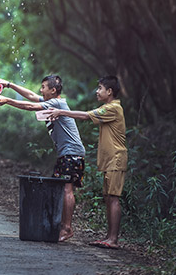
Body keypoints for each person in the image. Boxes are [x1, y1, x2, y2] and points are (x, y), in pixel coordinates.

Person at [0, 75, 86, 242]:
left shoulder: (57, 103)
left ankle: (67, 228)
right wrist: (8, 84)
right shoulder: (51, 101)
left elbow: (30, 106)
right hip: (67, 153)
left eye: (43, 87)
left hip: (71, 153)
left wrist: (7, 100)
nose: (41, 90)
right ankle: (64, 226)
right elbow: (31, 97)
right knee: (64, 188)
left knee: (66, 189)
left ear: (53, 90)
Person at [42, 76, 127, 249]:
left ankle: (113, 239)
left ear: (109, 92)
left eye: (100, 88)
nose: (97, 91)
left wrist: (62, 112)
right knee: (108, 197)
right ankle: (109, 237)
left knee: (113, 198)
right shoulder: (108, 108)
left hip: (116, 158)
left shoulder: (113, 108)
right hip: (110, 159)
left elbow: (86, 116)